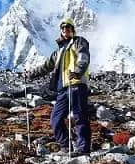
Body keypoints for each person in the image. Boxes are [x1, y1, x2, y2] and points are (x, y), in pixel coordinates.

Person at [26, 18, 91, 155]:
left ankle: (83, 149)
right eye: (63, 28)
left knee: (80, 117)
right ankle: (66, 146)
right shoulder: (58, 52)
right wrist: (30, 74)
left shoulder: (79, 42)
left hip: (77, 84)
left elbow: (83, 57)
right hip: (62, 89)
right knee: (55, 119)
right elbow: (46, 67)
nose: (65, 30)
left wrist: (78, 71)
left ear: (72, 30)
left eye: (68, 28)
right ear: (61, 31)